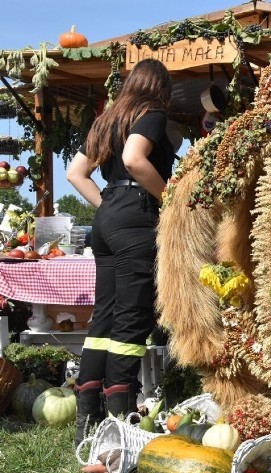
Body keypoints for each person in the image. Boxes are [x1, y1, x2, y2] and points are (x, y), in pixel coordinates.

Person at [66, 59, 175, 448]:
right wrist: (170, 198)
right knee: (131, 322)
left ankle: (87, 419)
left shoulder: (108, 117)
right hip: (135, 221)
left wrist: (107, 207)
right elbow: (133, 158)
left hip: (107, 220)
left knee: (105, 319)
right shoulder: (152, 113)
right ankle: (118, 425)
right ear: (160, 88)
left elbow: (74, 173)